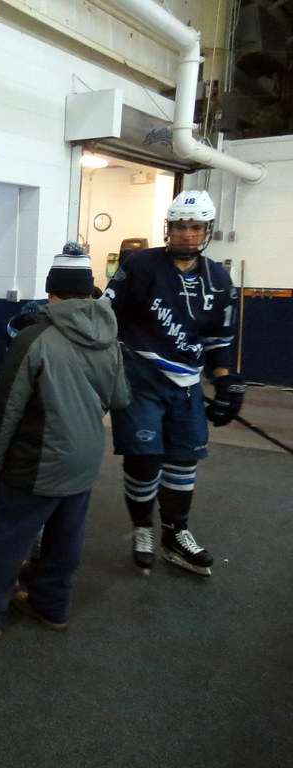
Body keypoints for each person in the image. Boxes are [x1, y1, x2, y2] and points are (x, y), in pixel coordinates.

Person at [0, 243, 130, 640]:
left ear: (51, 291)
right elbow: (119, 397)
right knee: (66, 535)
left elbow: (5, 409)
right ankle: (51, 606)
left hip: (38, 459)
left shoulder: (35, 338)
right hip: (85, 457)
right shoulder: (110, 336)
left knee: (11, 535)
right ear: (90, 290)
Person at [104, 190, 243, 576]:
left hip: (186, 385)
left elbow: (219, 340)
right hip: (139, 379)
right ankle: (143, 526)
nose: (186, 234)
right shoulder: (140, 265)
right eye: (180, 226)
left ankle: (176, 533)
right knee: (145, 460)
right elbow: (106, 312)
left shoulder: (220, 279)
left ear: (207, 230)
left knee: (183, 461)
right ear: (169, 228)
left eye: (194, 227)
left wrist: (226, 381)